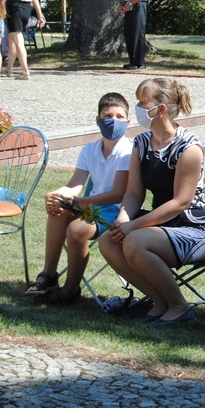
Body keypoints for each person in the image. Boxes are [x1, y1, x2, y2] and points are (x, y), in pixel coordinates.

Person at [98, 78, 205, 324]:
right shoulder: (141, 143)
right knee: (108, 241)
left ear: (161, 109)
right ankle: (159, 301)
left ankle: (179, 307)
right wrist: (122, 220)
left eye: (143, 103)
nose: (138, 108)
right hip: (161, 226)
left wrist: (132, 226)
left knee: (134, 240)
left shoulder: (189, 147)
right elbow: (133, 194)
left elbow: (181, 202)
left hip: (196, 230)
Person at [26, 93, 133, 303]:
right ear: (98, 120)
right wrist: (57, 195)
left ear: (128, 122)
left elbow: (117, 194)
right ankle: (49, 275)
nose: (114, 121)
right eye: (108, 115)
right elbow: (75, 184)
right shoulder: (90, 149)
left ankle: (70, 291)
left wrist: (77, 202)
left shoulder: (128, 151)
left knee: (76, 230)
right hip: (91, 207)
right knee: (58, 209)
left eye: (120, 117)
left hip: (116, 211)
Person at [1, 0, 45, 80]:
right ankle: (9, 68)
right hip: (26, 9)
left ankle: (25, 71)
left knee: (17, 40)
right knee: (11, 39)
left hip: (14, 8)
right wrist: (40, 16)